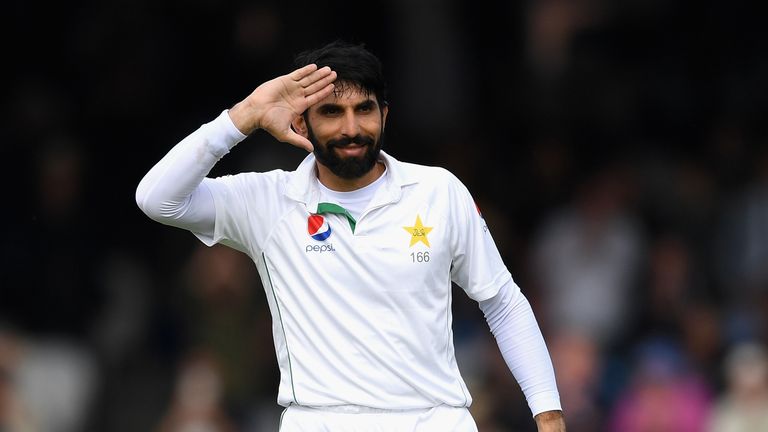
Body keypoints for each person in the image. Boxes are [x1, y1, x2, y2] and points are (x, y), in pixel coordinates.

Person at [136, 40, 565, 431]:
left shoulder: (439, 191)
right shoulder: (268, 200)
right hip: (319, 421)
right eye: (331, 112)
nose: (351, 128)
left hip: (435, 419)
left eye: (364, 109)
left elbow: (503, 303)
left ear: (384, 115)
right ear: (300, 124)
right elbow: (157, 198)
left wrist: (548, 415)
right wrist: (243, 116)